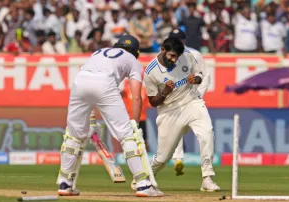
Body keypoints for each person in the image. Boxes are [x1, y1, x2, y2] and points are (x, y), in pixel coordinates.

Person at [56, 35, 164, 197]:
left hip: (80, 82)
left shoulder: (99, 52)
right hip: (105, 83)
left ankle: (65, 184)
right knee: (127, 136)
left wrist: (90, 117)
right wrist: (134, 125)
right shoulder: (132, 60)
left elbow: (89, 83)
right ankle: (143, 184)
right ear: (136, 52)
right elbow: (136, 97)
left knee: (73, 135)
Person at [143, 37, 220, 192]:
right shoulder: (151, 71)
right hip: (169, 111)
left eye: (177, 56)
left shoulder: (186, 56)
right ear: (162, 50)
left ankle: (207, 178)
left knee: (207, 133)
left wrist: (196, 79)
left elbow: (199, 74)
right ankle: (146, 177)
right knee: (163, 157)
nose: (174, 59)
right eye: (171, 56)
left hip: (191, 101)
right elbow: (153, 102)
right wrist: (164, 92)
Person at [167, 29, 210, 176]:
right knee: (176, 130)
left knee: (204, 132)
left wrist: (199, 96)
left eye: (179, 40)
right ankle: (178, 159)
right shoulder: (166, 55)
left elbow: (204, 76)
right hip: (176, 100)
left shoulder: (194, 54)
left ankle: (207, 172)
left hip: (193, 100)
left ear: (184, 41)